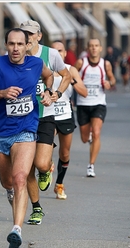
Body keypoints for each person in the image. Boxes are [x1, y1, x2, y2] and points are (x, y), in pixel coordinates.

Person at [0, 28, 53, 248]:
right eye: (11, 44)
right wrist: (0, 93)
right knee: (8, 182)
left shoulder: (36, 64)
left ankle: (16, 229)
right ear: (6, 45)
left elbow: (49, 76)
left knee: (20, 178)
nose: (15, 48)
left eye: (19, 44)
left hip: (26, 129)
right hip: (0, 133)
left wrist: (47, 91)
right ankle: (13, 196)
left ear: (28, 45)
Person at [20, 19, 71, 224]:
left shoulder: (50, 54)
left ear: (39, 36)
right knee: (26, 168)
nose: (27, 37)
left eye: (31, 34)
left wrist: (56, 93)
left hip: (44, 116)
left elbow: (65, 75)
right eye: (24, 33)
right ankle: (36, 208)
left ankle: (47, 167)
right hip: (22, 119)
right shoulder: (15, 55)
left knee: (40, 163)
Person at [51, 41, 87, 199]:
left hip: (65, 114)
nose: (57, 53)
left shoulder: (71, 69)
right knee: (43, 152)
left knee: (64, 154)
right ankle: (46, 168)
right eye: (54, 51)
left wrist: (71, 79)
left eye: (60, 50)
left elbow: (84, 92)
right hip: (48, 114)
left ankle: (59, 184)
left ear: (65, 53)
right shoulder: (44, 69)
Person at [74, 38, 115, 177]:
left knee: (97, 133)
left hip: (99, 103)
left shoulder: (105, 64)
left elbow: (112, 78)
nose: (94, 48)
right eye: (91, 46)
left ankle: (91, 165)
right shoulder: (81, 63)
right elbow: (70, 76)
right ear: (87, 48)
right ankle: (89, 136)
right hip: (83, 104)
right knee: (85, 139)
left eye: (96, 46)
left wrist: (109, 83)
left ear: (100, 48)